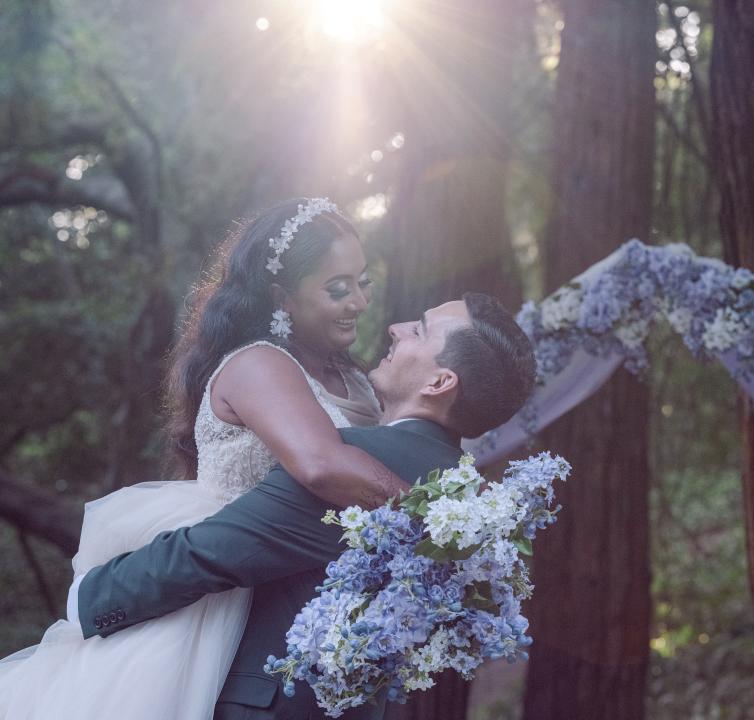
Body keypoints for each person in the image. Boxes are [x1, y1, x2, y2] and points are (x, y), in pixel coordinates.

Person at [0, 197, 410, 719]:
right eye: (338, 288)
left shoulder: (350, 377)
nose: (359, 301)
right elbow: (321, 465)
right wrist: (447, 516)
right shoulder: (259, 364)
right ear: (281, 296)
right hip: (225, 590)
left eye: (363, 280)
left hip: (311, 604)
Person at [77, 292, 537, 720]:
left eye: (419, 329)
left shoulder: (356, 458)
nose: (396, 328)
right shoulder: (471, 504)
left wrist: (93, 598)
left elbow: (211, 552)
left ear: (440, 381)